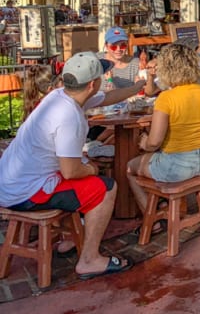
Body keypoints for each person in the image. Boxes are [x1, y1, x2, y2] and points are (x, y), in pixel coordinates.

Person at [0, 52, 145, 280]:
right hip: (26, 192)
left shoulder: (61, 95)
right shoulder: (69, 116)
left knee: (81, 173)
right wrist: (92, 169)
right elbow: (71, 171)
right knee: (105, 187)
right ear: (92, 84)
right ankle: (89, 259)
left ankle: (70, 238)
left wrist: (138, 86)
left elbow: (107, 97)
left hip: (12, 182)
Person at [126, 43, 200, 226]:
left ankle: (151, 220)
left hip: (177, 166)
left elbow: (154, 142)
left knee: (130, 168)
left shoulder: (166, 98)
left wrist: (144, 142)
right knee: (163, 162)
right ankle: (170, 207)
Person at [145, 38, 200, 207]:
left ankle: (153, 214)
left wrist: (144, 144)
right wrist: (151, 75)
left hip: (182, 156)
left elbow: (154, 142)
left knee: (134, 165)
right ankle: (182, 201)